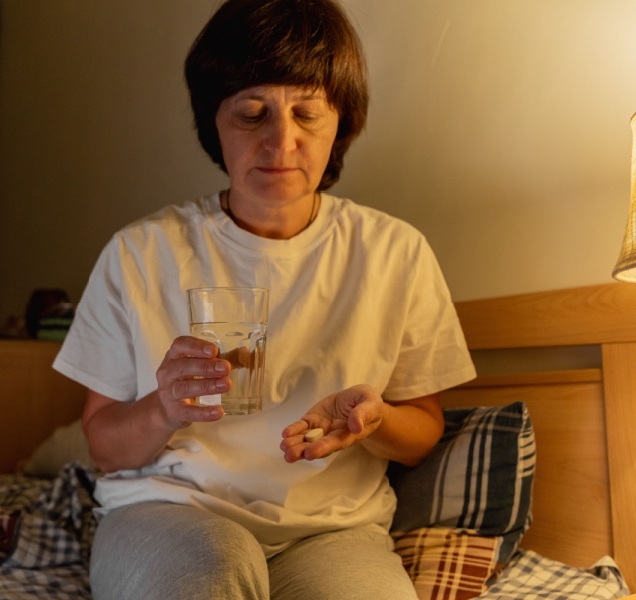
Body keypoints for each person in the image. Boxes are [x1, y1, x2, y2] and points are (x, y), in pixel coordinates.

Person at [53, 0, 476, 598]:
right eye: (253, 114)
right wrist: (164, 407)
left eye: (308, 114)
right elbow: (103, 446)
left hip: (333, 531)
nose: (282, 141)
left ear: (342, 123)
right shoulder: (141, 253)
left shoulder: (394, 253)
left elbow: (423, 429)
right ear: (214, 124)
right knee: (208, 574)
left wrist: (372, 423)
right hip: (171, 510)